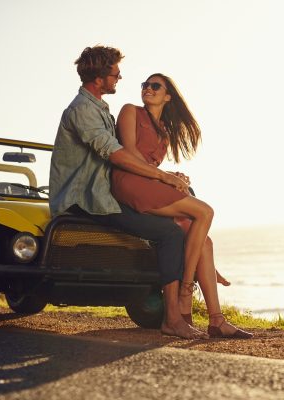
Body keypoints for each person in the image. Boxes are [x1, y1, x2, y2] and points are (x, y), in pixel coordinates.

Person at [49, 45, 206, 340]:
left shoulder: (100, 109)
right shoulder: (82, 110)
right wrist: (162, 176)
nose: (119, 77)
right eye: (114, 73)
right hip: (86, 202)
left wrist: (169, 175)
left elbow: (134, 156)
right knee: (168, 233)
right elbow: (117, 155)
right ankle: (173, 317)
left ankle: (189, 309)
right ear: (99, 78)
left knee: (177, 225)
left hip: (104, 196)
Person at [111, 73, 252, 338]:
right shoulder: (130, 111)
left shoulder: (164, 132)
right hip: (129, 182)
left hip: (150, 182)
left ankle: (216, 320)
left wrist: (173, 176)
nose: (147, 89)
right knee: (205, 211)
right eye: (145, 85)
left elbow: (151, 165)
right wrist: (165, 178)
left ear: (167, 96)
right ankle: (185, 293)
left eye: (155, 86)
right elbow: (129, 153)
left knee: (204, 243)